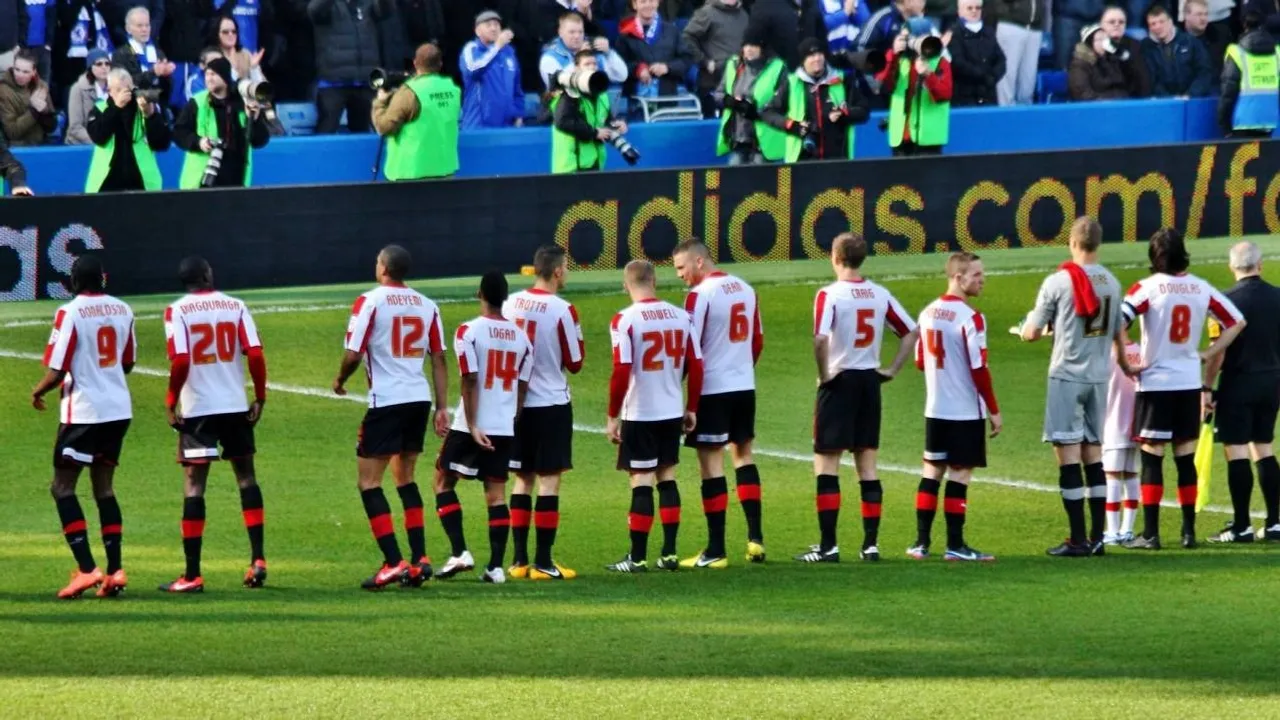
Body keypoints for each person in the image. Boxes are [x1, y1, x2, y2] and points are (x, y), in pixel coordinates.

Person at [1119, 228, 1245, 550]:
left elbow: (1118, 321)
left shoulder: (1146, 288)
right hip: (1188, 382)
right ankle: (1188, 533)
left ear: (1154, 256)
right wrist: (1210, 352)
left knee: (1152, 457)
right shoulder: (1201, 288)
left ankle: (1151, 534)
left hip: (1156, 382)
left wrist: (1125, 362)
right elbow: (1237, 321)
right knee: (1185, 458)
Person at [333, 244, 450, 590]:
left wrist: (340, 379)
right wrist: (442, 407)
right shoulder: (427, 305)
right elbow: (439, 358)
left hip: (387, 401)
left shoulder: (369, 301)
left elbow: (354, 353)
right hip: (419, 399)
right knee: (406, 478)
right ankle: (419, 560)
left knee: (369, 482)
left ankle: (393, 562)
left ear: (383, 267)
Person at [800, 233, 918, 563]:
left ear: (835, 257)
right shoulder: (880, 294)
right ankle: (870, 545)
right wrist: (893, 368)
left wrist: (825, 375)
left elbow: (821, 339)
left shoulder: (829, 294)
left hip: (840, 380)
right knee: (867, 464)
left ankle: (829, 546)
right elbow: (911, 330)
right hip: (869, 381)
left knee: (826, 463)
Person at [1019, 217, 1131, 557]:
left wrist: (1024, 328)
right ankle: (1098, 538)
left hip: (1067, 374)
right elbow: (1117, 335)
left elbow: (1032, 332)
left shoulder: (1058, 282)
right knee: (1093, 455)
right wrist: (1127, 368)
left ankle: (1077, 538)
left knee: (1067, 455)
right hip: (1100, 377)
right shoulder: (1112, 282)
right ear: (1098, 244)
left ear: (1071, 242)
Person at [160, 256, 270, 593]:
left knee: (195, 486)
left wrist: (170, 400)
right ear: (208, 275)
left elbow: (180, 359)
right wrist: (260, 396)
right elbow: (255, 353)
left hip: (199, 411)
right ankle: (258, 560)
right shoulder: (235, 306)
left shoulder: (176, 310)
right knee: (247, 478)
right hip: (235, 406)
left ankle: (192, 574)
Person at [30, 255, 135, 600]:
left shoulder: (70, 312)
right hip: (118, 411)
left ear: (74, 281)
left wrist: (39, 390)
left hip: (83, 415)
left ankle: (88, 569)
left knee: (62, 488)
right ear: (102, 279)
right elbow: (128, 362)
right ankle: (116, 570)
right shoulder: (123, 309)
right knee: (104, 488)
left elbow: (58, 369)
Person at [669, 239, 767, 568]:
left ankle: (715, 550)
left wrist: (683, 392)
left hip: (713, 389)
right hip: (744, 386)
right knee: (743, 455)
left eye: (682, 268)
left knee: (711, 467)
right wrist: (741, 369)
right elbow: (757, 341)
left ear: (699, 262)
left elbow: (690, 347)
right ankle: (755, 539)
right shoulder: (745, 288)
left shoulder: (700, 295)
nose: (680, 275)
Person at [434, 272, 534, 585]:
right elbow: (522, 386)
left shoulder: (469, 331)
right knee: (496, 495)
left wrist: (474, 424)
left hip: (470, 425)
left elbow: (470, 378)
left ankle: (460, 551)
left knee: (442, 482)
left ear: (479, 293)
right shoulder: (522, 339)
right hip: (503, 426)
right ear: (505, 298)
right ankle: (495, 567)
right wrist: (512, 419)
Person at [604, 259, 704, 573]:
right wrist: (691, 408)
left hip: (640, 411)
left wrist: (612, 415)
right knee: (667, 477)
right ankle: (670, 553)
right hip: (671, 409)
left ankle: (637, 557)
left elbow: (621, 370)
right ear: (655, 281)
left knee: (641, 481)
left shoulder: (624, 320)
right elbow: (697, 364)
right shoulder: (681, 317)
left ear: (625, 284)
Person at [911, 251, 1002, 562]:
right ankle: (955, 545)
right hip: (965, 411)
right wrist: (994, 409)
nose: (982, 280)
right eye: (976, 275)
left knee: (931, 472)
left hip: (935, 409)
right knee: (960, 475)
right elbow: (979, 369)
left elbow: (921, 362)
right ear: (957, 277)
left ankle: (920, 544)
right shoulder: (971, 318)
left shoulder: (927, 313)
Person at [501, 246, 585, 581]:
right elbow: (576, 363)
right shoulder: (563, 310)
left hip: (516, 405)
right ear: (558, 271)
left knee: (522, 479)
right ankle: (544, 562)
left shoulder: (510, 304)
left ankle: (519, 561)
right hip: (550, 403)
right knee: (549, 480)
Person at [1203, 242, 1280, 543]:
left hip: (1238, 381)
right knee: (1264, 446)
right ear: (1260, 265)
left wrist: (1207, 387)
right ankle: (1275, 523)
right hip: (1272, 380)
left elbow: (1217, 354)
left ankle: (1241, 526)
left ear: (1232, 267)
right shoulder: (1278, 297)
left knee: (1235, 450)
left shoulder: (1224, 302)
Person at [763, 37, 870, 161]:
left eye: (819, 54)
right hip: (800, 161)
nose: (817, 59)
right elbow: (768, 112)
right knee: (784, 181)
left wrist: (844, 114)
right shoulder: (792, 83)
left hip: (838, 160)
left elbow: (864, 111)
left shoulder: (842, 80)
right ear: (803, 60)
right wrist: (792, 125)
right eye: (811, 56)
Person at [173, 56, 271, 188]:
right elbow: (179, 133)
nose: (208, 78)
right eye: (207, 74)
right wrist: (199, 142)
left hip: (236, 181)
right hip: (202, 182)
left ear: (225, 78)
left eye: (213, 74)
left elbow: (260, 141)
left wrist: (254, 119)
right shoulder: (197, 102)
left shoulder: (242, 104)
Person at [373, 43, 461, 180]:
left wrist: (380, 102)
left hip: (410, 173)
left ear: (415, 63)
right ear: (440, 64)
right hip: (444, 171)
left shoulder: (410, 92)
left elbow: (384, 128)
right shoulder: (453, 90)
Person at [308, 0, 390, 134]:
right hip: (333, 82)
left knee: (363, 133)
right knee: (326, 131)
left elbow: (386, 11)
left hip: (364, 81)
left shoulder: (368, 4)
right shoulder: (328, 6)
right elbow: (314, 11)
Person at [85, 68, 171, 193]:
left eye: (129, 89)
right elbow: (99, 136)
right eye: (119, 90)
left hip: (142, 181)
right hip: (106, 183)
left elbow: (162, 144)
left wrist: (150, 115)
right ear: (109, 91)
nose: (126, 95)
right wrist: (117, 107)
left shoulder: (143, 109)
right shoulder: (100, 109)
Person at [877, 20, 953, 156]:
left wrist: (928, 75)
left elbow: (945, 94)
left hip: (928, 138)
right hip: (901, 135)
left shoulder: (940, 62)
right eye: (906, 38)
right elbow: (882, 83)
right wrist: (893, 54)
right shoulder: (899, 59)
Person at [550, 49, 629, 173]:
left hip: (594, 162)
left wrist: (615, 125)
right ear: (576, 68)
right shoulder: (569, 92)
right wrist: (594, 133)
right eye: (587, 64)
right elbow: (562, 121)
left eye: (594, 64)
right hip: (571, 166)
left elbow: (603, 120)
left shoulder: (601, 94)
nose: (592, 67)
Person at [716, 32, 789, 164]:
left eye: (753, 46)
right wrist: (730, 101)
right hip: (739, 137)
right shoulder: (733, 65)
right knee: (734, 170)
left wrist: (755, 111)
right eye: (746, 45)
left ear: (762, 48)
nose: (749, 49)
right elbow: (718, 94)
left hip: (764, 138)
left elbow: (783, 103)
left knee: (759, 176)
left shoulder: (778, 68)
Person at [1101, 338, 1143, 544]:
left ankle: (1112, 531)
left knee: (1112, 476)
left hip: (1112, 420)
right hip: (1136, 421)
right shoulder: (1140, 349)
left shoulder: (1106, 353)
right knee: (1131, 473)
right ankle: (1127, 529)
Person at [1219, 6, 1279, 138]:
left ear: (1244, 25)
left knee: (1240, 159)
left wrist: (1224, 122)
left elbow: (1228, 92)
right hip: (1270, 119)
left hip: (1243, 120)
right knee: (1264, 158)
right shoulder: (1277, 53)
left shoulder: (1236, 52)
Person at [683, 0, 749, 117]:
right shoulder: (706, 13)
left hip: (739, 83)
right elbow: (687, 38)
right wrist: (705, 62)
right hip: (713, 83)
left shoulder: (744, 15)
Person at [461, 10, 525, 129]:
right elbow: (472, 70)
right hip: (478, 125)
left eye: (496, 25)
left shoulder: (509, 53)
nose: (493, 28)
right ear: (477, 31)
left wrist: (519, 114)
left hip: (507, 126)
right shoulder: (471, 49)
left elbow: (517, 88)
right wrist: (496, 48)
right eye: (488, 25)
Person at [616, 0, 693, 99]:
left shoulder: (672, 31)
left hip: (667, 97)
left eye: (652, 1)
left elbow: (686, 60)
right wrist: (637, 69)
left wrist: (667, 67)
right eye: (643, 2)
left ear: (658, 3)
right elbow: (618, 65)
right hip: (634, 99)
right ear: (635, 5)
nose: (648, 5)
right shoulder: (625, 34)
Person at [539, 11, 627, 90]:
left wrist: (609, 52)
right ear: (560, 32)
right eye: (572, 32)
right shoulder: (549, 57)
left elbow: (621, 76)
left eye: (580, 32)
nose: (577, 36)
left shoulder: (592, 50)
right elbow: (556, 85)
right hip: (564, 105)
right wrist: (579, 57)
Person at [1142, 5, 1214, 98]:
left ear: (1170, 22)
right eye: (1153, 24)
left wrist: (1190, 95)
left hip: (1192, 99)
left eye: (1161, 22)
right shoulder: (1145, 47)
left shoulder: (1191, 42)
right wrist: (1170, 99)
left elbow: (1204, 72)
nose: (1158, 27)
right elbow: (1150, 79)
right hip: (1163, 102)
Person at [946, 0, 1006, 107]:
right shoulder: (954, 33)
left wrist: (993, 77)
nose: (974, 11)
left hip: (989, 94)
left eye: (978, 8)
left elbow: (1001, 59)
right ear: (960, 11)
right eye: (970, 8)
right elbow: (958, 62)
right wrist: (982, 76)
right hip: (964, 96)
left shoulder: (989, 32)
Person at [743, 0, 827, 69]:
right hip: (780, 77)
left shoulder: (811, 4)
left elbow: (821, 38)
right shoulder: (765, 5)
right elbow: (751, 44)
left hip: (810, 76)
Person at [992, 0, 1045, 105]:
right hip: (1011, 23)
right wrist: (1007, 11)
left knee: (1028, 81)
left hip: (1034, 27)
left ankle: (1024, 116)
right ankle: (1004, 115)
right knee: (1007, 78)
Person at [0, 49, 56, 146]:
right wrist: (34, 111)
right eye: (17, 70)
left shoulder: (41, 86)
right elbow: (12, 133)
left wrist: (44, 111)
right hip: (14, 149)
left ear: (34, 72)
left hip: (40, 146)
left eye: (25, 72)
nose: (20, 75)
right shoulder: (3, 91)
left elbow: (51, 128)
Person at [111, 7, 176, 86]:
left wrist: (166, 75)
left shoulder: (158, 53)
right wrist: (153, 73)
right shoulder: (120, 55)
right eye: (139, 26)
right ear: (128, 29)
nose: (144, 29)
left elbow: (166, 91)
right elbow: (126, 84)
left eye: (147, 25)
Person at [1068, 23, 1132, 100]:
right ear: (1089, 43)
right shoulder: (1080, 65)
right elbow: (1082, 93)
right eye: (1099, 40)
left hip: (1122, 103)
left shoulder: (1112, 59)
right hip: (1099, 107)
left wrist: (1120, 53)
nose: (1103, 43)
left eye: (1106, 39)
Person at [1100, 5, 1151, 97]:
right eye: (1112, 22)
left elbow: (1143, 80)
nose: (1117, 24)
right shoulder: (1093, 46)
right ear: (1101, 24)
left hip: (1131, 100)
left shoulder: (1135, 46)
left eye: (1121, 22)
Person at [66, 49, 112, 145]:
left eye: (107, 64)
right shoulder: (78, 88)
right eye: (99, 64)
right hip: (81, 144)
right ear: (90, 67)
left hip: (109, 143)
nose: (104, 67)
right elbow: (75, 127)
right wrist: (99, 142)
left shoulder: (115, 88)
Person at [1182, 0, 1231, 80]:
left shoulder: (1220, 36)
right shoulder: (1177, 39)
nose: (1203, 18)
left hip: (1216, 86)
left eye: (1206, 14)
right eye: (1199, 14)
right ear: (1186, 16)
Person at [858, 0, 924, 54]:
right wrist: (891, 53)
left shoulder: (920, 22)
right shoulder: (882, 19)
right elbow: (859, 48)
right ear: (908, 2)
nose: (924, 3)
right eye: (921, 0)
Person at [215, 16, 267, 83]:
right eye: (225, 32)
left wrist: (254, 68)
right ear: (216, 34)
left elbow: (262, 89)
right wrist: (233, 67)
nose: (230, 34)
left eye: (234, 31)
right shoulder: (213, 56)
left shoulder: (245, 54)